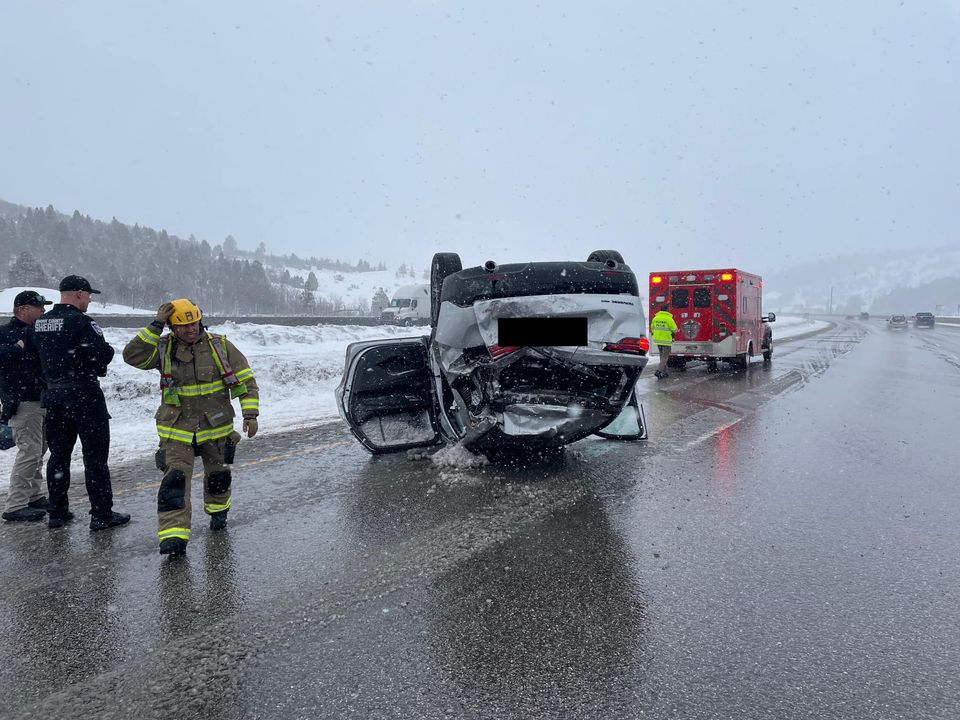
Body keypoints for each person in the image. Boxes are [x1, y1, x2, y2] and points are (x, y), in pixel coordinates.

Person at [123, 299, 260, 557]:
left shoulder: (220, 347)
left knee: (218, 478)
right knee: (174, 483)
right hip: (177, 431)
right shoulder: (162, 348)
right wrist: (155, 326)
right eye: (183, 326)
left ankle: (218, 514)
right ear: (172, 327)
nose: (190, 329)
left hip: (216, 427)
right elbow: (132, 356)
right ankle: (174, 538)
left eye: (194, 323)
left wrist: (250, 413)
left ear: (201, 320)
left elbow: (246, 381)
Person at [27, 275, 130, 530]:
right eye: (88, 296)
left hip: (54, 397)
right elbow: (102, 354)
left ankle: (58, 512)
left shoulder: (40, 323)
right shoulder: (82, 322)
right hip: (84, 395)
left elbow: (32, 359)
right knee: (94, 458)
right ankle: (101, 514)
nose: (90, 300)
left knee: (58, 457)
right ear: (79, 294)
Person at [1, 291, 53, 521]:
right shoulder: (6, 333)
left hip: (42, 399)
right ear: (22, 309)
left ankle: (33, 496)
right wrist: (17, 348)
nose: (43, 311)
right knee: (29, 451)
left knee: (39, 450)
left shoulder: (37, 332)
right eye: (38, 307)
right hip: (23, 402)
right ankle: (15, 505)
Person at [650, 304, 678, 379]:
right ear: (667, 310)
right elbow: (675, 329)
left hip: (658, 341)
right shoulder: (669, 319)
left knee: (662, 357)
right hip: (666, 341)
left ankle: (664, 372)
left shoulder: (655, 318)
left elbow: (652, 329)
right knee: (665, 357)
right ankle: (659, 371)